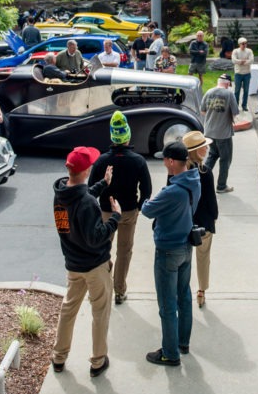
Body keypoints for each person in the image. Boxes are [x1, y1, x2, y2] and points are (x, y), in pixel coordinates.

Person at [50, 146, 121, 378]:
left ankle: (59, 357)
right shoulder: (88, 203)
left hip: (73, 265)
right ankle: (98, 361)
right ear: (87, 169)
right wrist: (116, 217)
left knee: (68, 310)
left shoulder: (60, 195)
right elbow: (96, 237)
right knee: (100, 313)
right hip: (94, 267)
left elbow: (79, 198)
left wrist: (103, 184)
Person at [140, 141, 200, 367]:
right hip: (186, 246)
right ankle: (183, 342)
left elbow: (147, 210)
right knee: (184, 296)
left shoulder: (172, 191)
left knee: (167, 305)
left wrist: (151, 197)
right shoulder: (194, 182)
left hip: (168, 250)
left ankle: (170, 353)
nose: (163, 162)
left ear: (172, 162)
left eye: (165, 159)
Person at [89, 112, 152, 305]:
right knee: (124, 251)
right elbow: (147, 189)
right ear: (128, 136)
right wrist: (139, 206)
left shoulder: (101, 161)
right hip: (128, 211)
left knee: (103, 249)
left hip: (107, 211)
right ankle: (119, 289)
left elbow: (91, 187)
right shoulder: (138, 161)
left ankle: (105, 284)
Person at [181, 131, 219, 308]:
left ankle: (183, 289)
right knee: (203, 258)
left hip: (183, 222)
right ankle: (201, 291)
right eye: (204, 146)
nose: (207, 148)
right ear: (197, 151)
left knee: (184, 259)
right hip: (203, 223)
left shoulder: (178, 172)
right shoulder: (206, 172)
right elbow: (211, 200)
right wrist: (214, 217)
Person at [201, 73, 238, 193]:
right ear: (227, 84)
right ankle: (221, 186)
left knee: (212, 155)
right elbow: (235, 113)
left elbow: (202, 111)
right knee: (225, 159)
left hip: (209, 132)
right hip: (223, 134)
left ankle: (202, 181)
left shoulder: (208, 92)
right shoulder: (229, 94)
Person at [231, 37, 253, 111]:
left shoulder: (249, 51)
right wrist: (241, 61)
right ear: (239, 44)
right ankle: (236, 105)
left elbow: (251, 60)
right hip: (238, 73)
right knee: (237, 90)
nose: (245, 45)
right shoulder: (235, 51)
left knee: (246, 90)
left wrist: (241, 62)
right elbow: (233, 60)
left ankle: (244, 105)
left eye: (246, 43)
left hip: (247, 73)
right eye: (243, 43)